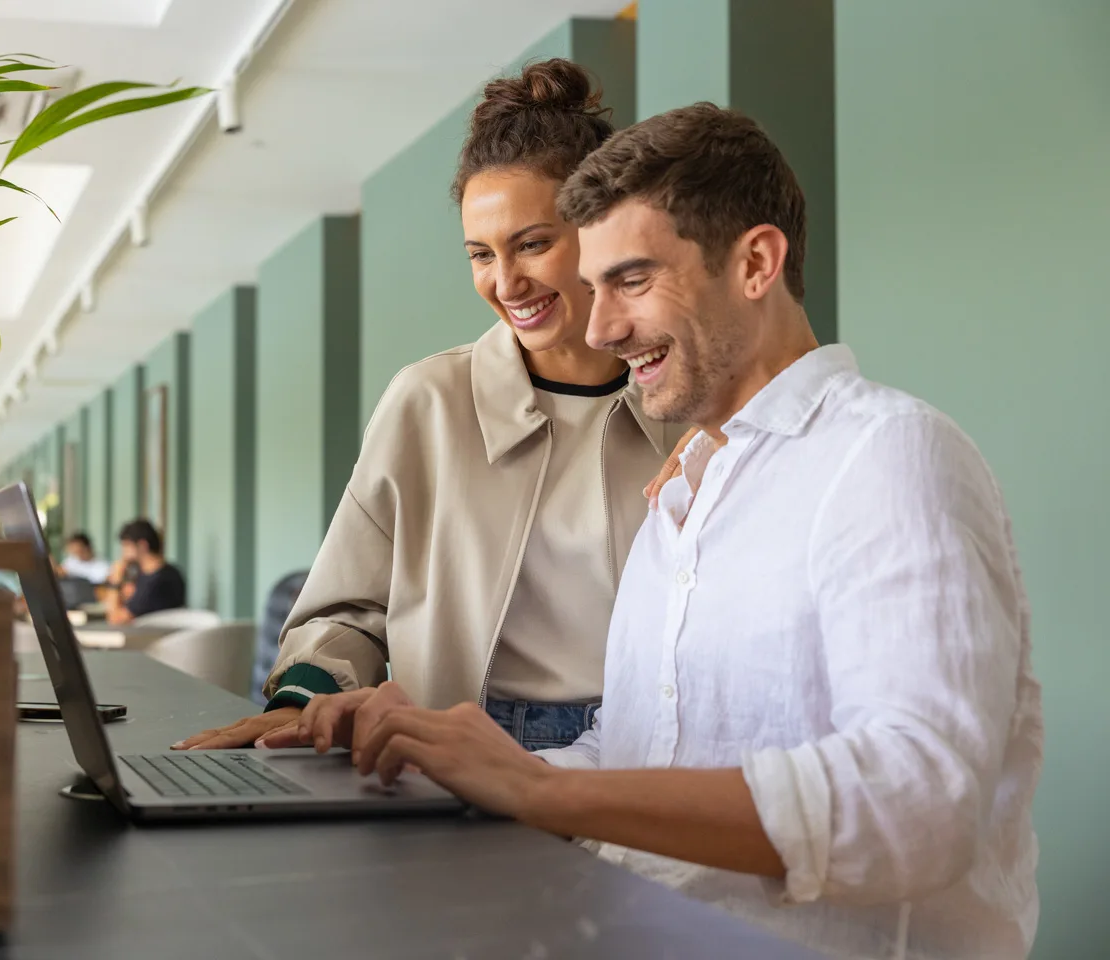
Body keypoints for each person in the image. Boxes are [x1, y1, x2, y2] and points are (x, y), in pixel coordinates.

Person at [287, 104, 1043, 960]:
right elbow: (636, 747)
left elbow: (919, 803)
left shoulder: (889, 455)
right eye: (596, 284)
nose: (601, 328)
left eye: (632, 281)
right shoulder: (686, 498)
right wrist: (451, 760)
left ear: (756, 262)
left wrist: (542, 792)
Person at [177, 59, 681, 753]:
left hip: (646, 744)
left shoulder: (681, 399)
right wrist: (305, 697)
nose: (506, 282)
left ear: (603, 229)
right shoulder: (430, 401)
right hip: (460, 741)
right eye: (481, 254)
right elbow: (349, 606)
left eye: (533, 244)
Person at [105, 518, 186, 625]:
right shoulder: (169, 573)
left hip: (151, 638)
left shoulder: (156, 580)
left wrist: (115, 580)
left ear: (143, 545)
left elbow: (115, 618)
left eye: (126, 545)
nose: (123, 552)